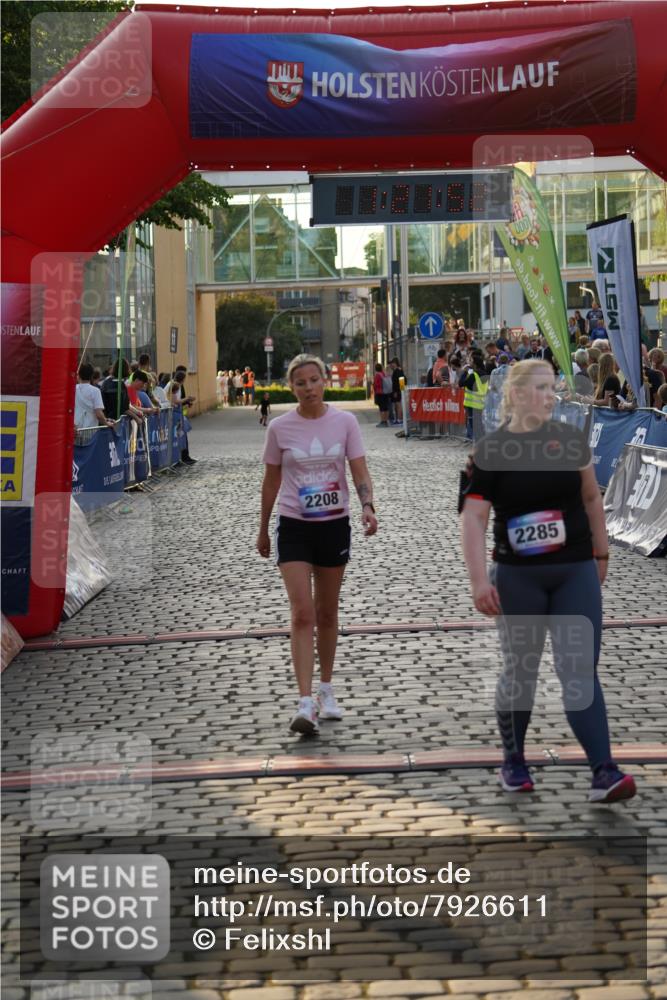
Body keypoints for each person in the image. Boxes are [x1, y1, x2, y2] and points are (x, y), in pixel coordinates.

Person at [460, 360, 636, 804]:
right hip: (519, 576)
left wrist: (601, 553)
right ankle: (514, 760)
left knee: (579, 671)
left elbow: (592, 497)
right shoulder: (491, 450)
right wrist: (480, 582)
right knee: (521, 672)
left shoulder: (570, 440)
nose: (551, 396)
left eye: (553, 389)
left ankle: (604, 771)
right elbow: (473, 519)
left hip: (574, 569)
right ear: (516, 396)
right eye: (541, 389)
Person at [256, 354, 378, 735]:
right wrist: (262, 529)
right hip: (293, 525)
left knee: (327, 612)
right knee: (302, 612)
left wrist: (368, 506)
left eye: (314, 380)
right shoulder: (279, 428)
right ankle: (305, 702)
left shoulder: (345, 422)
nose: (308, 388)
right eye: (300, 383)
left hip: (334, 524)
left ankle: (326, 689)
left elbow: (358, 468)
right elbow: (271, 481)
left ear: (325, 381)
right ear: (291, 387)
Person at [75, 363, 115, 429]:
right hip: (90, 429)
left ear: (78, 374)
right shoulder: (95, 391)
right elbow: (99, 414)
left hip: (75, 429)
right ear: (92, 376)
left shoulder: (73, 390)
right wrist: (107, 423)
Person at [373, 362, 390, 427]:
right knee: (386, 407)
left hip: (379, 393)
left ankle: (383, 421)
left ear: (376, 369)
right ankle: (386, 421)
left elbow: (376, 385)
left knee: (381, 408)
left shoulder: (377, 375)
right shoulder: (384, 374)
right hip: (386, 392)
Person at [389, 356, 405, 424]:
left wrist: (400, 390)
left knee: (398, 405)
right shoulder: (396, 371)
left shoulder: (398, 371)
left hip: (397, 391)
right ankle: (397, 418)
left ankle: (399, 419)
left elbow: (401, 380)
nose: (391, 365)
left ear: (395, 363)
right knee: (396, 405)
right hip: (396, 390)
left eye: (392, 363)